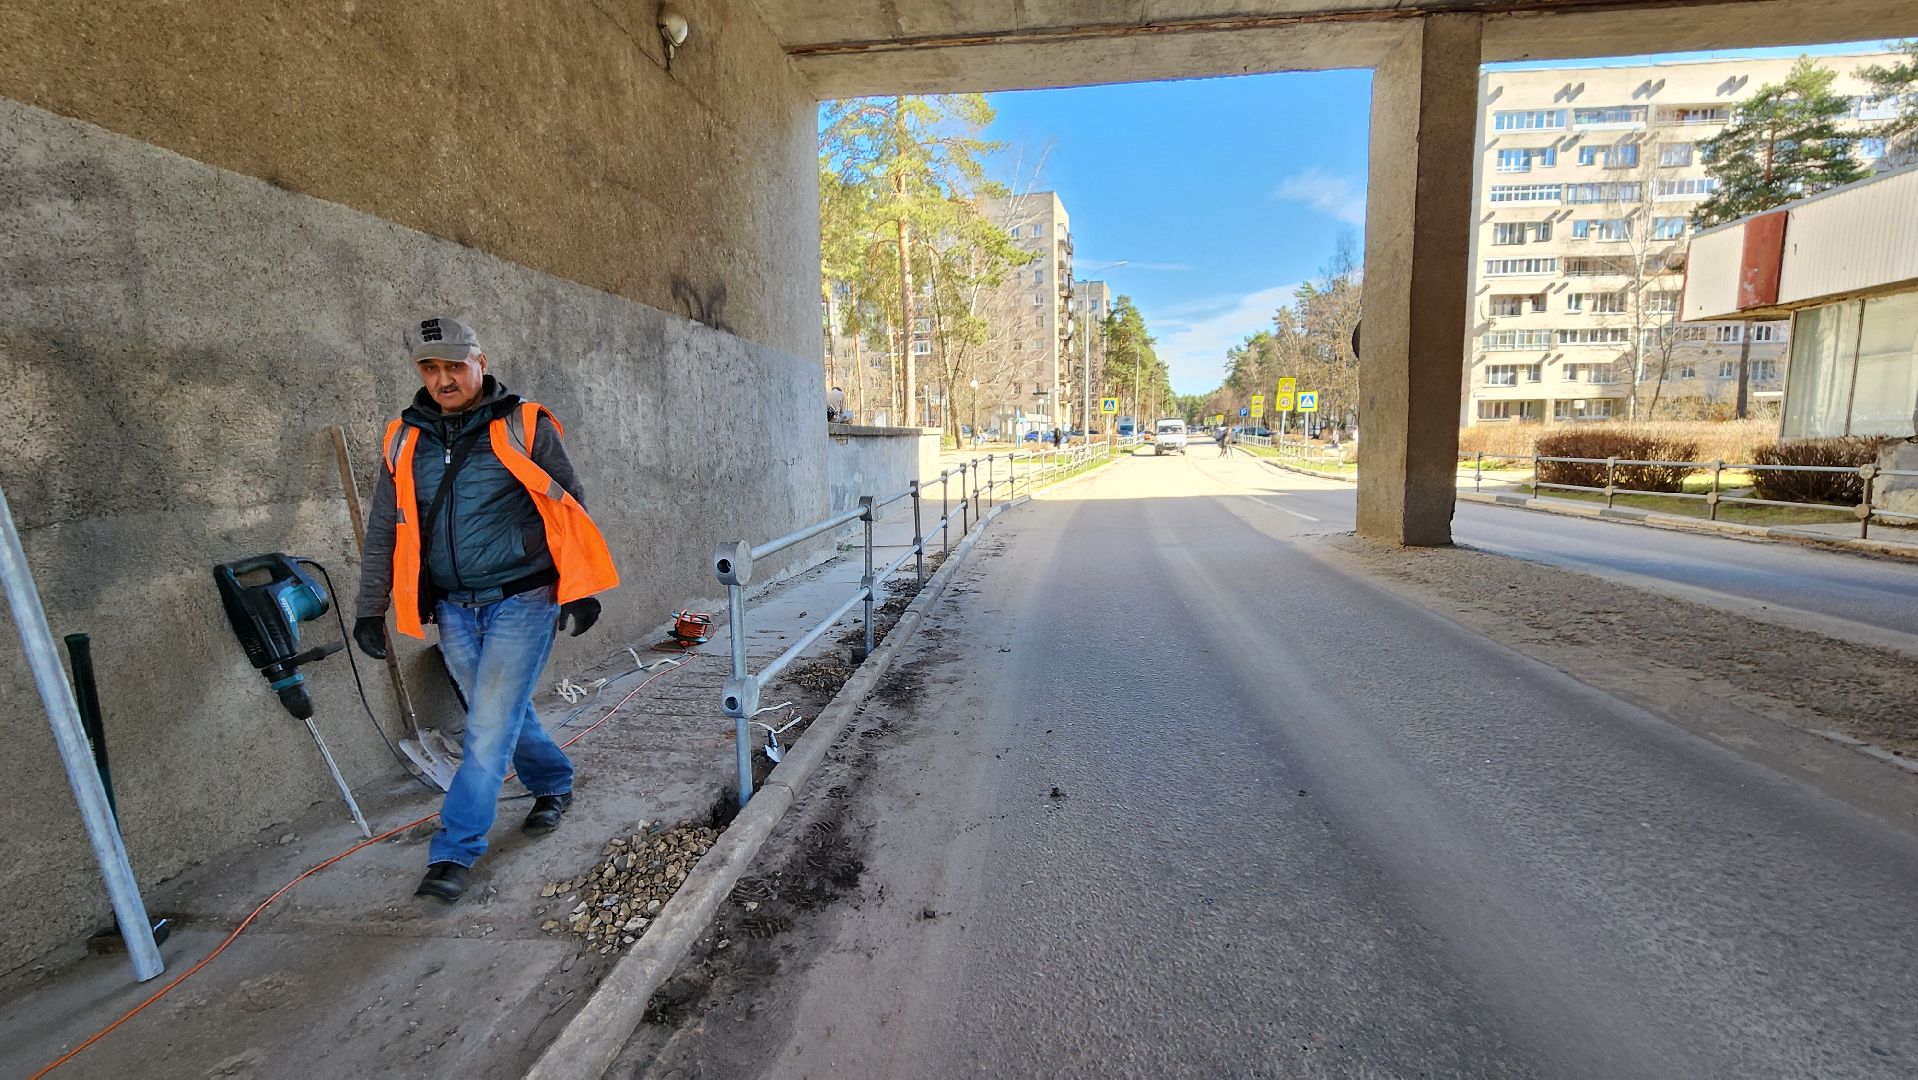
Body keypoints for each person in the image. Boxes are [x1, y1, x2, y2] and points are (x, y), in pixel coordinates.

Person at [354, 316, 619, 903]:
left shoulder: (524, 423)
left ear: (480, 361)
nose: (443, 379)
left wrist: (577, 588)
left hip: (523, 599)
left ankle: (454, 851)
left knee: (486, 728)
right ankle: (553, 781)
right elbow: (383, 528)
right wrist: (371, 606)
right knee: (499, 713)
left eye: (454, 365)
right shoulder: (403, 438)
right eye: (430, 368)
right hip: (452, 606)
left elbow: (570, 507)